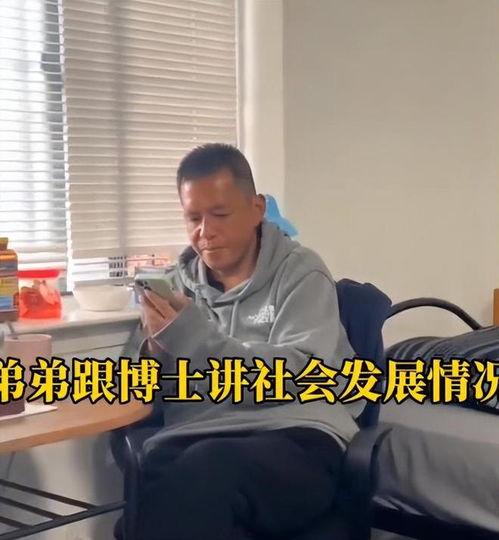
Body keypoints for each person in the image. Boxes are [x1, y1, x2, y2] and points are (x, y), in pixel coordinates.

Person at [131, 143, 362, 540]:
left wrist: (192, 339)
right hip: (194, 439)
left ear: (257, 209)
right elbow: (142, 390)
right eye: (193, 218)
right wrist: (155, 350)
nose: (206, 232)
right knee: (161, 487)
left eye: (220, 214)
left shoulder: (300, 272)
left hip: (295, 435)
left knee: (202, 476)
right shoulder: (175, 287)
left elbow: (303, 375)